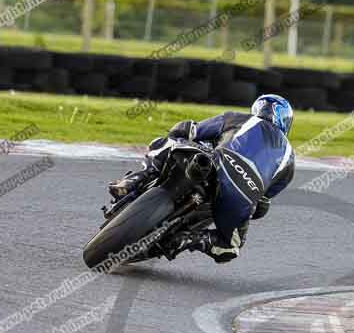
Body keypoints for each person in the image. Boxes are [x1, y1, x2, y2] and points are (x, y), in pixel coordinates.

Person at [112, 94, 295, 264]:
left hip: (214, 163)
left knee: (165, 142)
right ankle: (189, 239)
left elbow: (191, 130)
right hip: (240, 197)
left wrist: (179, 133)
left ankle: (134, 180)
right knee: (230, 247)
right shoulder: (289, 160)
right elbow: (262, 205)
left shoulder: (238, 118)